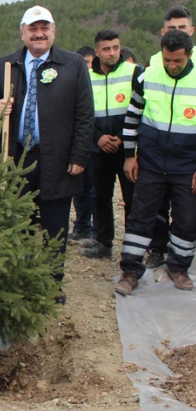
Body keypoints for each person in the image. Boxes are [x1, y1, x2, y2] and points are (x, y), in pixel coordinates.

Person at [0, 6, 94, 304]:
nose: (39, 33)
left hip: (58, 158)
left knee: (55, 224)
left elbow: (85, 114)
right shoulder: (6, 65)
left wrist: (79, 156)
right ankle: (21, 279)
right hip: (16, 158)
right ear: (22, 33)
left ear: (53, 30)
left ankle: (51, 283)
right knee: (18, 222)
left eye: (44, 27)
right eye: (32, 28)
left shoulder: (73, 64)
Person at [115, 30, 196, 295]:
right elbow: (132, 118)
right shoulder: (147, 76)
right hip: (150, 162)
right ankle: (130, 271)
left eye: (178, 61)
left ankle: (178, 268)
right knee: (140, 217)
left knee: (187, 218)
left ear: (189, 55)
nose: (172, 66)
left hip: (187, 164)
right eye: (167, 60)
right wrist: (129, 156)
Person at [79, 30, 142, 259]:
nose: (112, 53)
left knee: (131, 199)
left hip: (127, 149)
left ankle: (133, 247)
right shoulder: (86, 76)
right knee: (101, 198)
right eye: (106, 49)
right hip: (99, 148)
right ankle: (104, 243)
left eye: (116, 47)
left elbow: (141, 108)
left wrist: (123, 137)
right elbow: (82, 112)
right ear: (97, 52)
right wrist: (98, 137)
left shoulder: (134, 72)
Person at [142, 5, 195, 270]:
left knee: (186, 212)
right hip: (156, 155)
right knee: (155, 208)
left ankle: (181, 261)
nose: (177, 32)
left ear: (191, 30)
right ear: (163, 32)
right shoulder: (153, 64)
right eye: (171, 28)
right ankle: (156, 249)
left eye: (182, 27)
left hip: (186, 157)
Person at [70, 45, 98, 241]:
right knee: (80, 188)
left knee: (96, 191)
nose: (86, 66)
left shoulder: (99, 80)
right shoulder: (74, 80)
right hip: (80, 142)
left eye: (88, 62)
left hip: (97, 141)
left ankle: (98, 230)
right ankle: (82, 226)